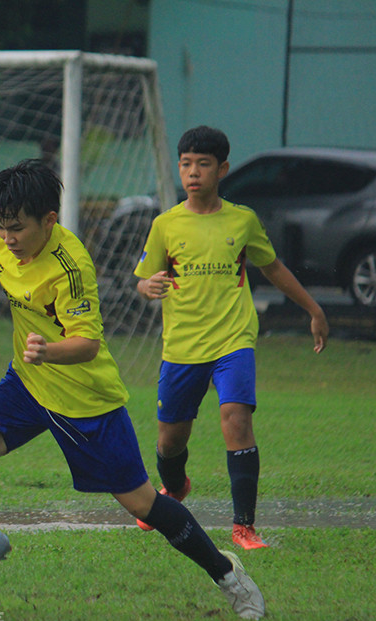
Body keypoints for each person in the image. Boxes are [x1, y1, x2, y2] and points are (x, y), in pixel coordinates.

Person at [0, 159, 266, 621]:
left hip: (86, 402)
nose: (7, 238)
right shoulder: (8, 240)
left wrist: (47, 351)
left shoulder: (71, 267)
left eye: (17, 229)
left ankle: (228, 574)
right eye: (1, 228)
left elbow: (86, 345)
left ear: (49, 220)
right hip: (26, 387)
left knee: (143, 503)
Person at [133, 126, 329, 549]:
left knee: (237, 421)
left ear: (221, 169)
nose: (193, 172)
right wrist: (147, 287)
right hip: (182, 346)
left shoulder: (242, 220)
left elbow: (272, 267)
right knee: (170, 442)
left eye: (203, 164)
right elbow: (143, 280)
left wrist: (313, 309)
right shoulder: (166, 224)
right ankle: (175, 487)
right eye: (186, 164)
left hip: (233, 340)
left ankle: (244, 526)